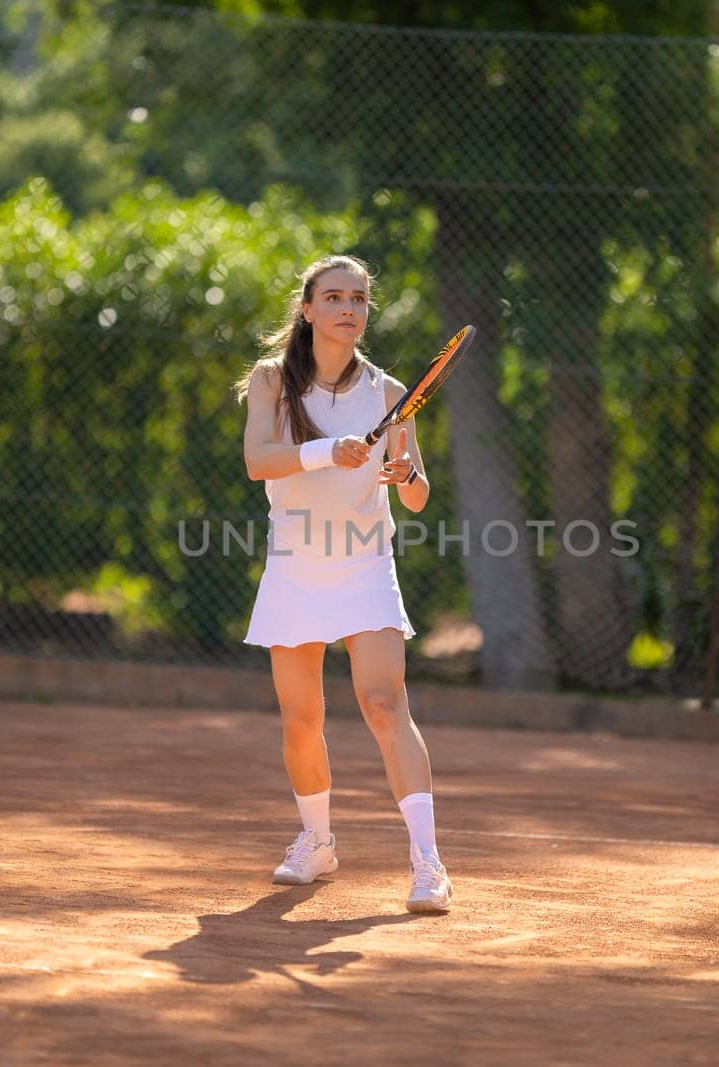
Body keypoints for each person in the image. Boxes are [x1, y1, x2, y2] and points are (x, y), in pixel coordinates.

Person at [235, 254, 452, 913]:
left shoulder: (389, 393)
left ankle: (428, 863)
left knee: (385, 701)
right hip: (295, 567)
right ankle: (318, 841)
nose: (347, 309)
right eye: (333, 297)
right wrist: (331, 449)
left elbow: (416, 495)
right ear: (308, 309)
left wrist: (403, 474)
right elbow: (257, 461)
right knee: (303, 718)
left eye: (358, 298)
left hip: (364, 564)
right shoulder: (272, 379)